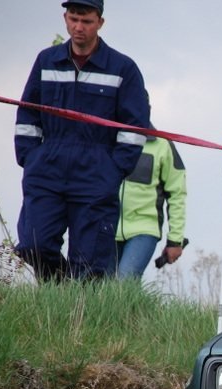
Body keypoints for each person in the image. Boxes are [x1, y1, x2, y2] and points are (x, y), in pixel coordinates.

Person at [14, 0, 149, 281]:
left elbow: (134, 127)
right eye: (74, 19)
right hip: (47, 168)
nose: (79, 27)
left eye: (86, 21)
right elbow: (28, 114)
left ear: (100, 22)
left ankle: (76, 304)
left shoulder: (123, 68)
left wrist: (114, 169)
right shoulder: (46, 61)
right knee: (33, 244)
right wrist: (30, 157)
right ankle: (61, 291)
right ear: (65, 18)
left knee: (89, 266)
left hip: (96, 172)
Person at [116, 104, 187, 279]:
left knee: (124, 280)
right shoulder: (105, 138)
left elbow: (177, 194)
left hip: (144, 228)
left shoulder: (163, 145)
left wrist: (175, 240)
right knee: (102, 286)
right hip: (106, 225)